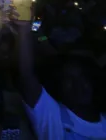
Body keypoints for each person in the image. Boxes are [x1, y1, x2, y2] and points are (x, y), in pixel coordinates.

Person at [16, 10, 106, 139]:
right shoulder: (53, 117)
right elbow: (26, 74)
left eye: (83, 77)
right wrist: (25, 31)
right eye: (69, 79)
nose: (78, 84)